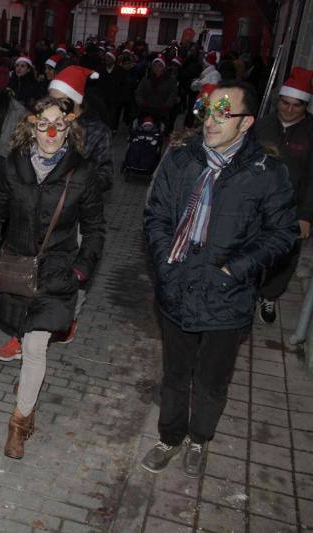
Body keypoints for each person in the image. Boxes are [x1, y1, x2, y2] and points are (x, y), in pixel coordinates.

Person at [142, 81, 297, 478]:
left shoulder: (267, 172)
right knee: (176, 375)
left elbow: (283, 233)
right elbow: (156, 216)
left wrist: (235, 270)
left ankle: (199, 438)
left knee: (212, 380)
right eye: (206, 110)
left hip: (228, 297)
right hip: (177, 288)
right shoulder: (181, 160)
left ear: (246, 123)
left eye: (223, 113)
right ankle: (169, 437)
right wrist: (166, 263)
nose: (210, 121)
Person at [0, 96, 105, 459]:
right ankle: (29, 389)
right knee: (22, 333)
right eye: (43, 125)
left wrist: (80, 270)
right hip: (16, 270)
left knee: (35, 346)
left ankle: (19, 423)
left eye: (59, 125)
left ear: (68, 129)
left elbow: (95, 229)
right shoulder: (14, 166)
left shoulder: (82, 172)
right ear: (32, 128)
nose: (51, 133)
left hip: (56, 273)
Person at [0, 64, 113, 360]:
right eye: (51, 97)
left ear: (75, 102)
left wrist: (77, 184)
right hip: (39, 208)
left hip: (74, 214)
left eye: (61, 99)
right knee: (27, 275)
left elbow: (106, 174)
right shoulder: (42, 125)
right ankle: (23, 334)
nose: (53, 105)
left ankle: (68, 317)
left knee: (72, 275)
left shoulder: (97, 130)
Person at [254, 67, 313, 323]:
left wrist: (306, 215)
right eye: (284, 103)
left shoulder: (311, 132)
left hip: (292, 207)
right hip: (258, 204)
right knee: (250, 251)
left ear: (305, 106)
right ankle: (245, 293)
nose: (288, 110)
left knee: (285, 257)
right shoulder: (262, 125)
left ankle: (269, 295)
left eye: (296, 105)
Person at [135, 55, 179, 132]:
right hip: (146, 109)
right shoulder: (146, 79)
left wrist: (167, 105)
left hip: (162, 110)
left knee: (161, 130)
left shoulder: (170, 80)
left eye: (160, 66)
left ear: (164, 67)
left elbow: (173, 94)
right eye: (155, 66)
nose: (157, 68)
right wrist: (141, 102)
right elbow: (139, 92)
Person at [98, 49, 129, 133]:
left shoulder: (121, 71)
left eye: (109, 57)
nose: (106, 59)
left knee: (114, 115)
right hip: (102, 98)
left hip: (115, 99)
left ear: (113, 60)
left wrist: (121, 98)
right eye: (106, 57)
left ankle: (113, 130)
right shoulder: (100, 70)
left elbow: (124, 86)